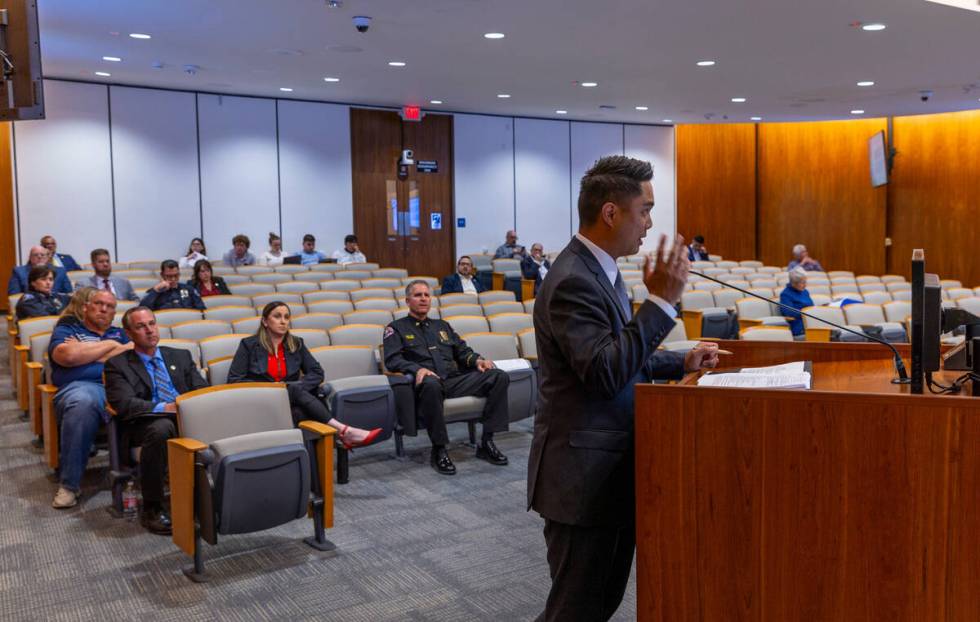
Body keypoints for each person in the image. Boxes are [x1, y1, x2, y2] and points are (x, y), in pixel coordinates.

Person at [527, 155, 720, 621]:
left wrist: (680, 361)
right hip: (581, 477)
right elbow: (606, 371)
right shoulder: (574, 279)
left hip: (607, 471)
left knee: (597, 604)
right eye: (645, 210)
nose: (650, 224)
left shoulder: (602, 271)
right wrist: (660, 302)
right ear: (611, 213)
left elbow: (616, 355)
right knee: (575, 610)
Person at [383, 280, 510, 475]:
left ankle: (487, 442)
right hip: (426, 384)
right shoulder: (396, 328)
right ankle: (439, 449)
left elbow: (462, 350)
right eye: (418, 295)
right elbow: (392, 360)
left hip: (453, 380)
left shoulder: (442, 325)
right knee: (432, 384)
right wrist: (416, 369)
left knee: (498, 376)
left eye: (426, 295)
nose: (423, 299)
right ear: (407, 300)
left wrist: (477, 361)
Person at [105, 306, 208, 534]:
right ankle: (152, 508)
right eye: (141, 326)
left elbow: (202, 389)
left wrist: (188, 406)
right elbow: (125, 404)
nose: (149, 330)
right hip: (145, 424)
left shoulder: (179, 356)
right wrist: (166, 407)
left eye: (152, 323)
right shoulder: (117, 365)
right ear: (129, 334)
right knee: (162, 427)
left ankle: (218, 495)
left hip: (187, 417)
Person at [227, 301, 381, 447]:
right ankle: (343, 431)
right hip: (262, 400)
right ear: (265, 321)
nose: (283, 321)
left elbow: (317, 372)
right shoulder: (248, 345)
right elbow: (234, 380)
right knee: (296, 398)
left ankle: (311, 466)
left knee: (299, 412)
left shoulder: (296, 343)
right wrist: (273, 388)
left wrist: (294, 387)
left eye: (287, 317)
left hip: (292, 400)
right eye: (277, 316)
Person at [47, 288, 132, 508]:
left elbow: (132, 354)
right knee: (82, 403)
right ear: (85, 307)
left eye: (110, 306)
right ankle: (69, 486)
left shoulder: (121, 333)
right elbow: (69, 355)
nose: (104, 309)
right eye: (98, 303)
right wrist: (112, 348)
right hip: (82, 387)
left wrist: (88, 352)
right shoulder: (67, 328)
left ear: (114, 313)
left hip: (119, 387)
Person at [75, 248, 140, 301]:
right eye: (101, 262)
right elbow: (77, 305)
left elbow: (136, 301)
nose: (105, 264)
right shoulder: (83, 284)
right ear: (93, 264)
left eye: (107, 261)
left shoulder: (123, 282)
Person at [140, 260, 206, 311]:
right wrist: (155, 291)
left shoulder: (189, 289)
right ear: (162, 275)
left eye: (176, 275)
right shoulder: (154, 291)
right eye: (169, 276)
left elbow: (202, 309)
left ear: (179, 273)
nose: (173, 279)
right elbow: (142, 310)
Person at [7, 245, 73, 295]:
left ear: (47, 258)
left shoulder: (60, 271)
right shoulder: (19, 272)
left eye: (42, 255)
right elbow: (14, 295)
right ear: (30, 258)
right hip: (30, 305)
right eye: (36, 255)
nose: (39, 257)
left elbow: (68, 292)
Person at [779, 268, 814, 338]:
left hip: (811, 323)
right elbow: (789, 313)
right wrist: (806, 312)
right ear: (793, 283)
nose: (805, 285)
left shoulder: (805, 291)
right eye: (802, 283)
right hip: (798, 327)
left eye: (805, 282)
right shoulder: (785, 294)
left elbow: (812, 306)